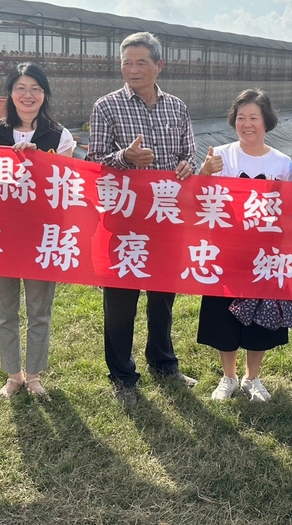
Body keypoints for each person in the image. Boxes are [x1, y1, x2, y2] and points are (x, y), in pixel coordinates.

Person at [86, 32, 200, 407]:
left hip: (167, 216)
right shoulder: (107, 106)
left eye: (141, 63)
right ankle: (122, 375)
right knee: (121, 297)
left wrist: (187, 165)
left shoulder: (176, 108)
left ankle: (163, 362)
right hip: (125, 217)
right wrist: (125, 158)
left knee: (163, 294)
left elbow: (189, 153)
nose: (133, 70)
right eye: (126, 63)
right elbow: (93, 162)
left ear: (158, 65)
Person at [0, 62, 75, 399]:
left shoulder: (60, 136)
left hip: (42, 236)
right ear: (10, 93)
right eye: (21, 88)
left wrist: (41, 163)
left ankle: (34, 375)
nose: (28, 95)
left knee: (40, 310)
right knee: (4, 311)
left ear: (45, 94)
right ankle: (13, 375)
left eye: (35, 88)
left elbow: (66, 187)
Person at [197, 89, 292, 403]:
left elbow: (289, 207)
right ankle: (228, 376)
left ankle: (253, 377)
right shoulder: (220, 155)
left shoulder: (281, 162)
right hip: (226, 249)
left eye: (254, 117)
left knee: (260, 316)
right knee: (223, 314)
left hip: (265, 253)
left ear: (266, 122)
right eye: (241, 118)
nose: (247, 124)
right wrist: (204, 172)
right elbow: (200, 197)